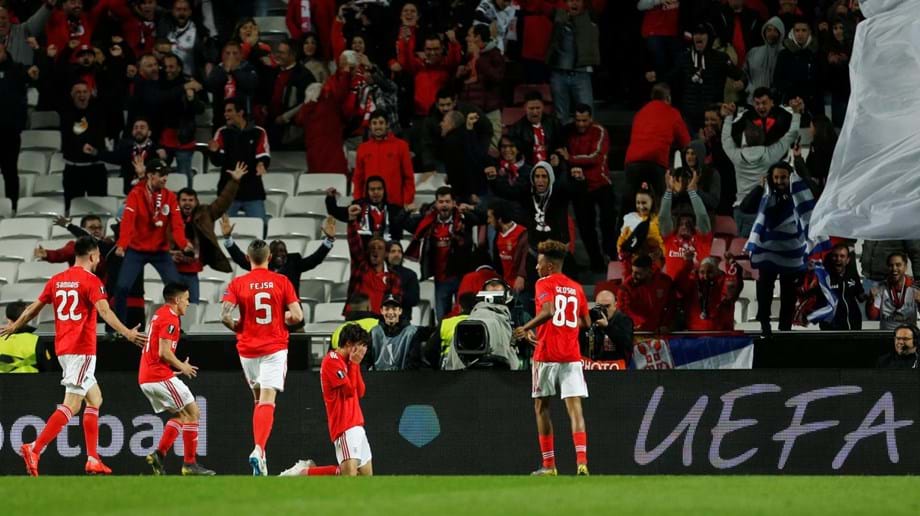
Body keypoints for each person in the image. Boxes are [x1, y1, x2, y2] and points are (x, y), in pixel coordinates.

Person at [3, 236, 145, 476]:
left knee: (95, 399)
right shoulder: (92, 281)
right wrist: (127, 333)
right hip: (81, 349)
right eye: (99, 255)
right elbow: (104, 310)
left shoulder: (57, 280)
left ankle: (92, 458)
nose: (100, 259)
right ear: (91, 256)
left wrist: (15, 325)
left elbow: (33, 309)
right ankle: (35, 448)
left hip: (64, 349)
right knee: (72, 405)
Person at [221, 239, 304, 476]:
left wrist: (239, 327)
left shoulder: (238, 283)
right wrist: (283, 318)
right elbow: (297, 316)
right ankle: (258, 450)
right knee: (268, 400)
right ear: (269, 258)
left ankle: (262, 456)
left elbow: (224, 315)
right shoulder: (281, 281)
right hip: (274, 348)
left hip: (247, 350)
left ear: (248, 259)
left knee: (258, 401)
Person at [512, 239, 590, 476]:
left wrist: (525, 328)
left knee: (541, 407)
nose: (536, 268)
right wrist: (566, 326)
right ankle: (581, 463)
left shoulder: (543, 283)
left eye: (538, 263)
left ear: (548, 266)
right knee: (575, 409)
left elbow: (548, 311)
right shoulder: (576, 287)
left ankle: (549, 466)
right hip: (572, 355)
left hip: (546, 354)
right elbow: (585, 323)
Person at [279, 324, 373, 477]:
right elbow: (348, 392)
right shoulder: (332, 361)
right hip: (344, 425)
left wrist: (355, 365)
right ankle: (303, 472)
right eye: (361, 345)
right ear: (349, 343)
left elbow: (360, 392)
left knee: (366, 478)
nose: (364, 350)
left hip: (357, 423)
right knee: (348, 476)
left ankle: (306, 471)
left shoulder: (350, 362)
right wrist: (354, 364)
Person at [140, 283, 214, 476]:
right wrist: (182, 366)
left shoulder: (159, 314)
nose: (188, 303)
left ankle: (159, 454)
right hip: (157, 376)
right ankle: (189, 464)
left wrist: (172, 371)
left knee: (180, 416)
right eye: (187, 299)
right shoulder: (170, 318)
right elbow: (164, 352)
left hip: (150, 376)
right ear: (177, 300)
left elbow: (156, 352)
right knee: (193, 413)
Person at [741, 161, 818, 333]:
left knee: (789, 293)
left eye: (783, 177)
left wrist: (799, 171)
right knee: (764, 288)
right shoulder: (766, 193)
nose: (779, 181)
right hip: (768, 250)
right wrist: (760, 188)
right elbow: (745, 207)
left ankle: (785, 329)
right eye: (776, 177)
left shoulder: (798, 192)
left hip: (792, 251)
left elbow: (813, 192)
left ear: (790, 177)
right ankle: (764, 324)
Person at [115, 159, 191, 323]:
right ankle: (117, 329)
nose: (165, 178)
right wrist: (122, 244)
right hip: (136, 250)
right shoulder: (136, 194)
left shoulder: (170, 197)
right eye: (161, 175)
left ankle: (175, 325)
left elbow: (177, 224)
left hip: (160, 251)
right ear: (150, 175)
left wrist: (183, 244)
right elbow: (128, 220)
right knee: (122, 287)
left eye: (166, 175)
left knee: (176, 288)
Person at [721, 98, 803, 237]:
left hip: (741, 210)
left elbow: (725, 139)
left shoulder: (736, 155)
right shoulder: (770, 154)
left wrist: (728, 117)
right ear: (762, 138)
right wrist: (796, 113)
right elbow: (792, 134)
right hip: (763, 209)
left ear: (746, 137)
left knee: (742, 253)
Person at [173, 163, 247, 305]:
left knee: (192, 306)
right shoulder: (170, 216)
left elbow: (222, 202)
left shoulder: (205, 214)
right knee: (172, 307)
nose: (187, 203)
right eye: (183, 200)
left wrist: (234, 181)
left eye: (190, 200)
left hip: (192, 272)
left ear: (196, 202)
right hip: (171, 269)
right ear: (178, 202)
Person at [405, 186, 480, 320]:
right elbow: (403, 223)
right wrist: (406, 211)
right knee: (442, 319)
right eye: (441, 202)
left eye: (447, 201)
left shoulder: (464, 220)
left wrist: (472, 208)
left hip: (461, 277)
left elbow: (484, 217)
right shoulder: (428, 221)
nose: (444, 205)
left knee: (463, 317)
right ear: (436, 203)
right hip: (441, 280)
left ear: (453, 203)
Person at [224, 215, 337, 302]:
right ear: (269, 255)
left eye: (282, 251)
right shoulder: (263, 265)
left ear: (287, 253)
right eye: (274, 251)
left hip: (293, 316)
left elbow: (314, 260)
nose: (279, 254)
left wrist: (329, 240)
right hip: (271, 318)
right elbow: (241, 259)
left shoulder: (294, 263)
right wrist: (228, 238)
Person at [562, 103, 613, 272]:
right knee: (585, 228)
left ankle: (611, 256)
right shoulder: (568, 133)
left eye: (584, 120)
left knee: (607, 223)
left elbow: (596, 157)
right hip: (580, 187)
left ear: (591, 118)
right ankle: (597, 263)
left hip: (602, 184)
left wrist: (571, 159)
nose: (581, 124)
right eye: (578, 120)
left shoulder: (599, 131)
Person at [623, 83, 690, 208]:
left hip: (632, 161)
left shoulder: (640, 113)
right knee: (662, 201)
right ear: (668, 98)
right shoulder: (672, 113)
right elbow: (686, 142)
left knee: (629, 203)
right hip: (656, 161)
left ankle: (622, 226)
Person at [208, 97, 270, 221]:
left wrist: (262, 164)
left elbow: (263, 154)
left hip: (252, 190)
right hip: (228, 191)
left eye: (229, 111)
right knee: (223, 229)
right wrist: (213, 152)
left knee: (262, 226)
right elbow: (217, 162)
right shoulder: (222, 132)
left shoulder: (259, 132)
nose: (226, 114)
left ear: (240, 112)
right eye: (225, 111)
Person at [545, 0, 599, 123]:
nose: (574, 3)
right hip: (558, 73)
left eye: (578, 0)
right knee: (560, 117)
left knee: (587, 114)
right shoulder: (558, 15)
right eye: (570, 0)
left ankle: (589, 142)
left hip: (581, 73)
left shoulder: (591, 16)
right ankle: (561, 142)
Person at [85, 117, 166, 195]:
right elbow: (113, 156)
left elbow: (163, 166)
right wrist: (95, 152)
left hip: (151, 195)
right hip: (130, 194)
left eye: (142, 127)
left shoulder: (157, 150)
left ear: (149, 133)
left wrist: (164, 157)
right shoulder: (127, 149)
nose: (138, 130)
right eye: (136, 128)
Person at [58, 80, 108, 210]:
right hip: (73, 170)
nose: (82, 95)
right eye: (78, 92)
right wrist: (81, 147)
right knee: (72, 208)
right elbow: (68, 137)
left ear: (90, 94)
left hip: (95, 169)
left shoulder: (98, 112)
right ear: (72, 95)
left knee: (99, 208)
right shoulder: (66, 114)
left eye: (85, 92)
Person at [353, 110, 415, 208]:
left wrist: (407, 200)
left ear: (387, 125)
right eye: (374, 123)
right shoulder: (362, 148)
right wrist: (358, 201)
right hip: (369, 204)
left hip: (395, 204)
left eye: (381, 123)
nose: (378, 126)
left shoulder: (401, 146)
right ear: (369, 126)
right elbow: (358, 179)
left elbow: (408, 177)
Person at [458, 24, 505, 148]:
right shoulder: (468, 56)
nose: (467, 39)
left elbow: (497, 78)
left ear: (478, 37)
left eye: (469, 35)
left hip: (489, 111)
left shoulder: (495, 55)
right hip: (470, 111)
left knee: (492, 149)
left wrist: (479, 59)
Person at [660, 170, 713, 281]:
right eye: (681, 223)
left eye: (688, 224)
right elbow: (663, 217)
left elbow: (702, 215)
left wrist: (692, 192)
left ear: (694, 226)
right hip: (673, 291)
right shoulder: (670, 239)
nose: (684, 226)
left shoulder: (702, 239)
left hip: (697, 290)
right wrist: (669, 190)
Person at [397, 31, 462, 118]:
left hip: (443, 114)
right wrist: (405, 43)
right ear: (424, 49)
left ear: (442, 48)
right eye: (429, 49)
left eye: (436, 49)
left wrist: (453, 43)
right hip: (420, 115)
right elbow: (405, 61)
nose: (432, 53)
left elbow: (455, 59)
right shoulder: (418, 66)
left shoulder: (446, 66)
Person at [675, 256, 742, 331]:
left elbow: (732, 287)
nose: (706, 276)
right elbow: (679, 286)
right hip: (694, 334)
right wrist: (687, 265)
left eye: (710, 272)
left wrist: (731, 265)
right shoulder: (692, 286)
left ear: (717, 273)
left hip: (721, 334)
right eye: (702, 272)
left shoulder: (722, 285)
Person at [813, 243, 865, 331]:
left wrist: (869, 296)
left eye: (842, 256)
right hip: (831, 328)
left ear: (848, 260)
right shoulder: (823, 277)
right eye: (835, 256)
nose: (838, 259)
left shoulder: (852, 274)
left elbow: (860, 297)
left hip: (853, 325)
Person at [773, 17, 821, 110]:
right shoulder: (784, 54)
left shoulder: (817, 54)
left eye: (804, 30)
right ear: (793, 32)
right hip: (790, 102)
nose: (800, 34)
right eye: (797, 30)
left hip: (813, 103)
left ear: (809, 32)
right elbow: (777, 80)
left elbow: (821, 80)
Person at [617, 255, 674, 333]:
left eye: (638, 273)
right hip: (637, 331)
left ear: (649, 271)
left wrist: (665, 324)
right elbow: (623, 309)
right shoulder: (627, 286)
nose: (633, 275)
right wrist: (638, 323)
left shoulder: (665, 282)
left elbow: (671, 305)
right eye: (632, 271)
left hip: (660, 331)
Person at [368, 294, 425, 370]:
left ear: (400, 311)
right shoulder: (374, 332)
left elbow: (414, 362)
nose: (390, 312)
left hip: (403, 379)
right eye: (387, 309)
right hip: (379, 379)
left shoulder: (411, 333)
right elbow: (366, 361)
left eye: (394, 309)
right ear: (381, 311)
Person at [508, 91, 565, 165]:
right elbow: (516, 153)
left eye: (538, 108)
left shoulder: (554, 123)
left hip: (552, 163)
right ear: (525, 108)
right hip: (527, 166)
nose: (535, 112)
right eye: (531, 108)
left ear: (543, 107)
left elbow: (561, 145)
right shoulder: (516, 129)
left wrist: (557, 155)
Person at [867, 252, 920, 331]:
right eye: (891, 265)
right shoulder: (881, 287)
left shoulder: (915, 288)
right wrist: (871, 301)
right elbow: (872, 316)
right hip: (886, 335)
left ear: (905, 266)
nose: (894, 268)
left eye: (898, 265)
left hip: (908, 336)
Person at [743, 18, 787, 104]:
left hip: (776, 102)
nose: (771, 33)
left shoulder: (785, 54)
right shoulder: (754, 52)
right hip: (753, 100)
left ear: (781, 33)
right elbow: (744, 73)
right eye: (769, 30)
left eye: (775, 30)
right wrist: (750, 88)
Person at [581, 290, 633, 362]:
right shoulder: (589, 319)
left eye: (607, 306)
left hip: (616, 368)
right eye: (600, 306)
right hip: (592, 367)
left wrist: (608, 327)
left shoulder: (624, 320)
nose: (603, 310)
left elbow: (626, 344)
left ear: (615, 304)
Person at [491, 202, 529, 294]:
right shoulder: (497, 236)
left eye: (490, 217)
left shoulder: (522, 233)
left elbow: (526, 259)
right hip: (506, 287)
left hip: (522, 287)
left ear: (499, 219)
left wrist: (521, 277)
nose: (488, 221)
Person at [0, 301, 39, 373]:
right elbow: (47, 370)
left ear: (6, 318)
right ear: (27, 317)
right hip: (30, 383)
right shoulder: (36, 340)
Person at [387, 242, 420, 322]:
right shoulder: (378, 273)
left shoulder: (410, 274)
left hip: (402, 318)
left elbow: (413, 300)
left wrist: (393, 295)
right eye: (393, 251)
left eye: (399, 251)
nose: (397, 254)